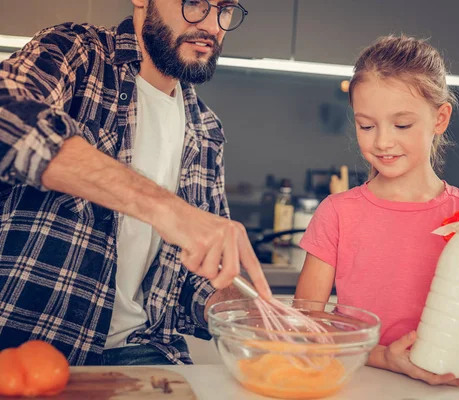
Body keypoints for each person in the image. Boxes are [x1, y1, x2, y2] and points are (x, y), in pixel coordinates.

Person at [0, 0, 271, 366]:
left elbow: (195, 276)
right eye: (194, 3)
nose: (211, 25)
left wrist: (243, 313)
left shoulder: (207, 129)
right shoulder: (77, 52)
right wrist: (165, 208)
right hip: (34, 347)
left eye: (225, 9)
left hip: (144, 351)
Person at [295, 35, 459, 386]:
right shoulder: (337, 213)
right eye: (366, 125)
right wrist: (385, 357)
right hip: (357, 382)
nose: (382, 141)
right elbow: (308, 325)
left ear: (440, 118)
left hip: (445, 387)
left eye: (401, 125)